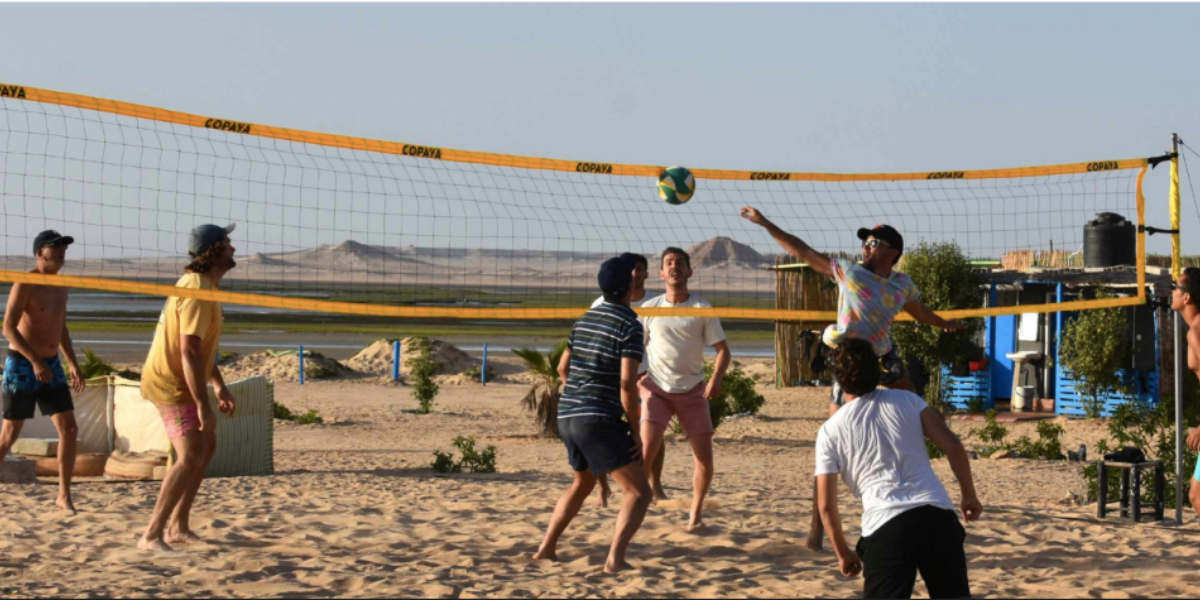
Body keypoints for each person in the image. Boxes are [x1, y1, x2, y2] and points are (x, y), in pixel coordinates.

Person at [740, 207, 964, 548]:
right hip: (850, 360)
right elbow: (802, 251)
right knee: (831, 441)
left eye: (873, 243)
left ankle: (927, 487)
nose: (865, 248)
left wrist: (943, 323)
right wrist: (765, 222)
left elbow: (920, 313)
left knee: (924, 415)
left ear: (892, 252)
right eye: (865, 243)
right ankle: (816, 529)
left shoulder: (903, 284)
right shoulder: (850, 272)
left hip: (884, 356)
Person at [816, 339, 982, 599]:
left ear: (838, 379)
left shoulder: (830, 430)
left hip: (886, 525)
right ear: (877, 370)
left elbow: (826, 505)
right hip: (937, 515)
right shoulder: (908, 400)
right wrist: (968, 495)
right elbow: (952, 445)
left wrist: (842, 552)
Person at [533, 257, 652, 574]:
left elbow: (562, 369)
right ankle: (615, 561)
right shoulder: (629, 324)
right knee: (639, 492)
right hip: (597, 416)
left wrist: (578, 394)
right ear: (630, 286)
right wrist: (635, 431)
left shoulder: (585, 319)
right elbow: (627, 384)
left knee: (582, 483)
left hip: (568, 413)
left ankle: (545, 549)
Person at [137, 224, 238, 551]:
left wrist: (219, 386)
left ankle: (177, 527)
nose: (233, 248)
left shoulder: (206, 286)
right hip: (169, 383)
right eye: (226, 243)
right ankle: (151, 534)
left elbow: (202, 351)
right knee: (191, 452)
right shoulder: (196, 289)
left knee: (206, 448)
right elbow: (188, 351)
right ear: (213, 251)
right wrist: (201, 403)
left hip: (181, 379)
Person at [638, 247, 731, 532]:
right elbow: (633, 348)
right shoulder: (650, 308)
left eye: (680, 263)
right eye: (669, 263)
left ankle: (695, 514)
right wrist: (636, 378)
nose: (674, 266)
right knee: (647, 449)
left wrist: (716, 379)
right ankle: (636, 506)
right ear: (661, 273)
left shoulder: (702, 308)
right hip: (656, 388)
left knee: (704, 458)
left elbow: (723, 351)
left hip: (693, 389)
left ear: (689, 271)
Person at [0, 231, 87, 513]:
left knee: (70, 429)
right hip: (23, 364)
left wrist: (72, 363)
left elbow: (60, 327)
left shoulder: (62, 286)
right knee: (9, 436)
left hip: (51, 364)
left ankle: (63, 495)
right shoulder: (25, 282)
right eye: (55, 247)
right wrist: (35, 361)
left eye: (64, 247)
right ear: (40, 254)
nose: (62, 251)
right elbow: (8, 328)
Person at [589, 253, 667, 507]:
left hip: (645, 375)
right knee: (601, 433)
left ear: (645, 273)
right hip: (612, 377)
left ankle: (654, 484)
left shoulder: (656, 302)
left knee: (652, 431)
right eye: (630, 270)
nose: (635, 273)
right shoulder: (603, 301)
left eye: (639, 269)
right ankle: (602, 487)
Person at [1173, 268, 1200, 515]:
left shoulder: (1196, 332)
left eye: (1176, 288)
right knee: (1195, 495)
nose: (1172, 291)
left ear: (1187, 297)